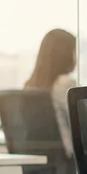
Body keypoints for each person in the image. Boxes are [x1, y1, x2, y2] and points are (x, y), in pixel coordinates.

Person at [25, 28, 78, 157]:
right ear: (66, 55)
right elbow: (85, 124)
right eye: (74, 51)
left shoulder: (29, 86)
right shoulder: (64, 84)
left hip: (40, 164)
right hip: (67, 162)